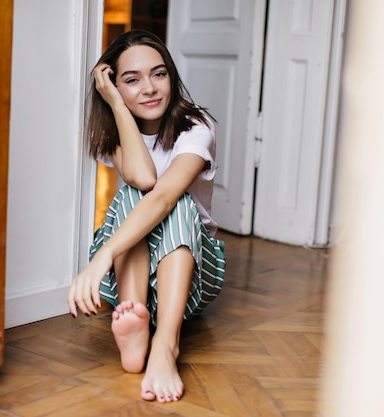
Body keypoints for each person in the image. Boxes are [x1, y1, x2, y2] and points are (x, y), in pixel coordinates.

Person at [67, 29, 226, 403]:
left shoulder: (196, 125)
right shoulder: (113, 136)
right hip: (130, 276)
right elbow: (142, 177)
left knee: (173, 201)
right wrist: (119, 109)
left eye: (159, 74)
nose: (151, 88)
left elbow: (164, 195)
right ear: (113, 87)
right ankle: (134, 315)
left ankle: (165, 346)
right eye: (132, 80)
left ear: (171, 76)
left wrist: (102, 255)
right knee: (134, 194)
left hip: (192, 277)